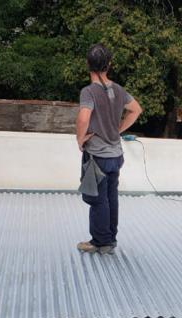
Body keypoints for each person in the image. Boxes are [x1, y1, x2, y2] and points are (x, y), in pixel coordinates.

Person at [76, 44, 142, 255]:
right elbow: (136, 110)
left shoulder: (88, 92)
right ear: (109, 65)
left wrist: (80, 139)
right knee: (111, 198)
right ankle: (110, 238)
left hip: (98, 157)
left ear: (88, 64)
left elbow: (84, 117)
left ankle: (100, 242)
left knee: (98, 200)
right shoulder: (119, 90)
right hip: (116, 156)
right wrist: (118, 129)